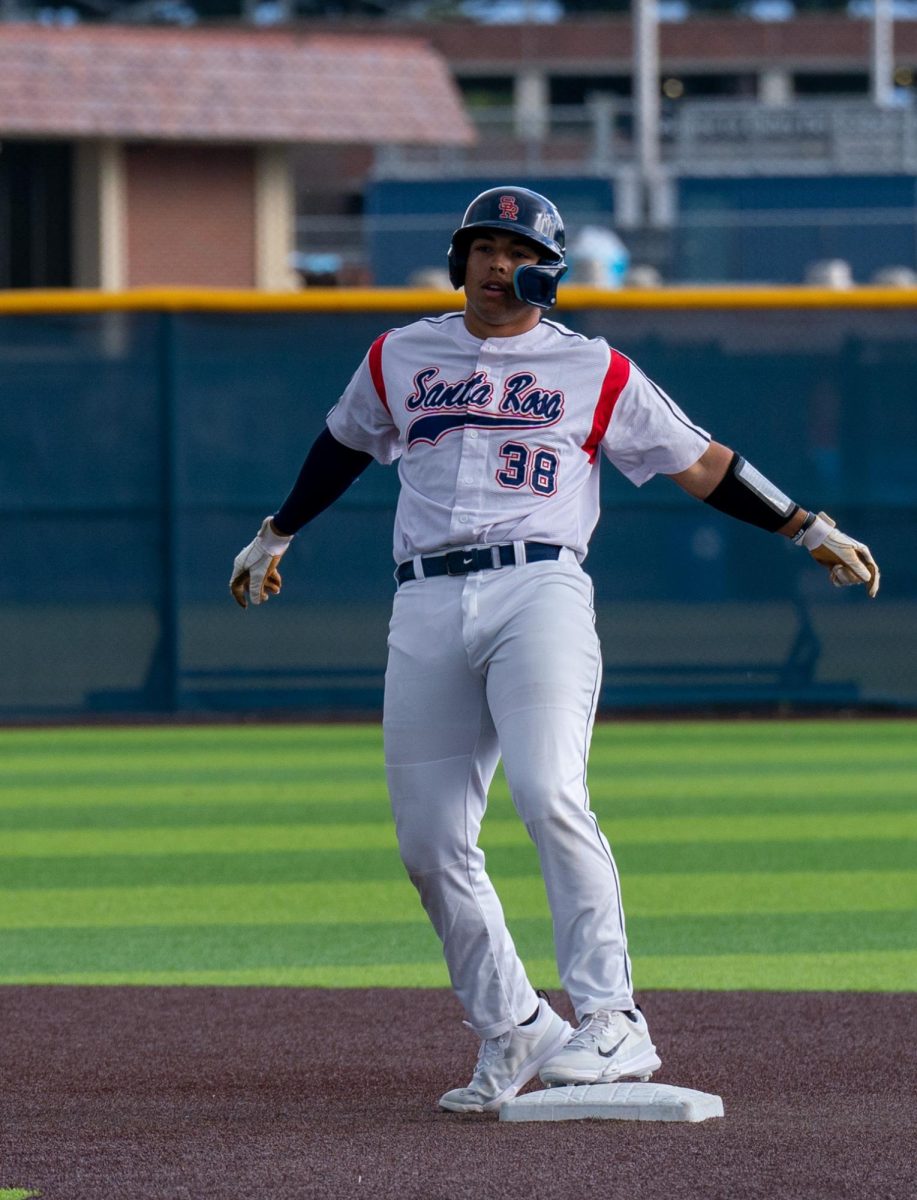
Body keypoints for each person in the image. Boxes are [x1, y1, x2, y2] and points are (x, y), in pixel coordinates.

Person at [229, 186, 879, 1114]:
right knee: (428, 841)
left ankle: (612, 1017)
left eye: (515, 250)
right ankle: (514, 1026)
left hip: (539, 587)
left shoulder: (592, 368)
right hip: (422, 601)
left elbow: (699, 460)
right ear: (460, 263)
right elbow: (340, 446)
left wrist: (803, 525)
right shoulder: (400, 354)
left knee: (546, 791)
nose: (498, 265)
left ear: (548, 269)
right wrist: (276, 532)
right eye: (482, 248)